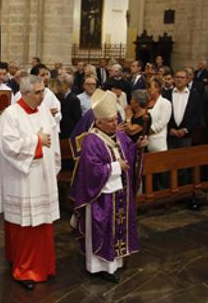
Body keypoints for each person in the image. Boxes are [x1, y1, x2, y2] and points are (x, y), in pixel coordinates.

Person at [70, 88, 141, 284]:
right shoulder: (92, 140)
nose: (115, 123)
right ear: (99, 122)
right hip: (101, 195)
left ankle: (114, 264)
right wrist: (117, 166)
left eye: (115, 119)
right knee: (103, 230)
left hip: (119, 191)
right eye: (110, 121)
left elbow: (128, 149)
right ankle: (98, 267)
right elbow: (92, 170)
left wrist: (137, 147)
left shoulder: (118, 134)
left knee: (117, 229)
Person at [0, 75, 61, 290]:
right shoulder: (11, 114)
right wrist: (36, 141)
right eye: (39, 92)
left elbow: (53, 139)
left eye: (44, 90)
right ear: (24, 94)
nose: (43, 96)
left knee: (43, 224)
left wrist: (53, 163)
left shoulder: (43, 111)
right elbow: (8, 146)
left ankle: (45, 266)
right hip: (23, 179)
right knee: (26, 225)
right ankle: (24, 270)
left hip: (43, 177)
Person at [147, 77, 172, 153]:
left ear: (157, 88)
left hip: (157, 144)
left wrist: (145, 131)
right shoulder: (145, 102)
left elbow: (161, 124)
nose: (148, 89)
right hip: (144, 143)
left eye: (150, 87)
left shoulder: (165, 103)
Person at [59, 72, 82, 139]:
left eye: (60, 84)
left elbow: (78, 119)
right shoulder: (61, 97)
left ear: (65, 85)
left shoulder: (73, 99)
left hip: (70, 134)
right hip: (63, 133)